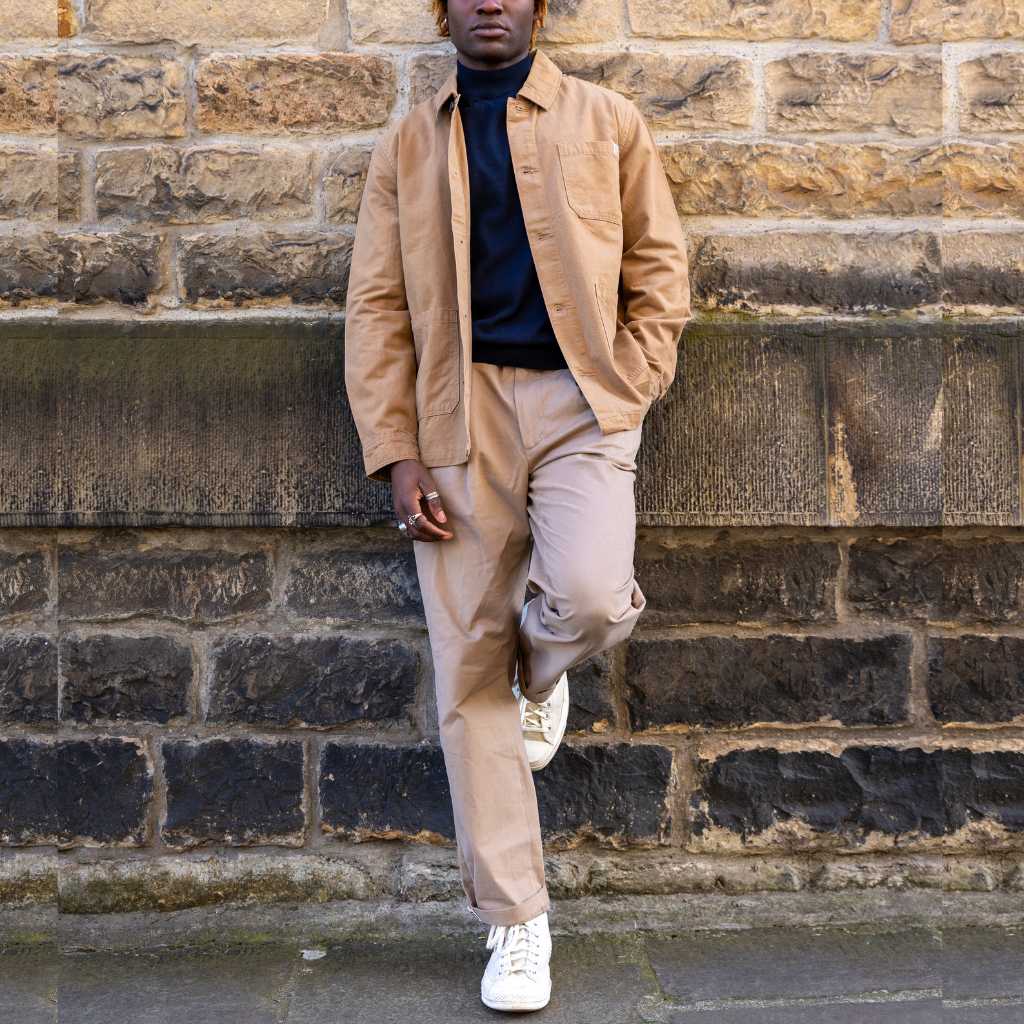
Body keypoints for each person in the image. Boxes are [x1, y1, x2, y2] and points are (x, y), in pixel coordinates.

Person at [343, 0, 690, 1011]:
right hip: (458, 417)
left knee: (584, 596)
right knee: (465, 667)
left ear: (539, 8)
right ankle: (515, 923)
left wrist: (632, 376)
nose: (490, 3)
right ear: (441, 10)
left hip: (584, 400)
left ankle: (544, 673)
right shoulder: (407, 145)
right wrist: (395, 452)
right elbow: (373, 307)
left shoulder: (605, 120)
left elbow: (659, 264)